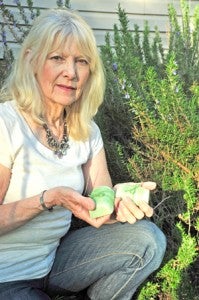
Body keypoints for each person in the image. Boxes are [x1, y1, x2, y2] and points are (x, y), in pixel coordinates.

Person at [0, 8, 166, 300]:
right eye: (58, 58)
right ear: (32, 61)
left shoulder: (86, 130)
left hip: (53, 263)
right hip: (7, 275)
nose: (71, 72)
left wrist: (120, 201)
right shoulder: (6, 123)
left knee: (147, 240)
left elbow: (100, 202)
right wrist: (47, 199)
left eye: (81, 61)